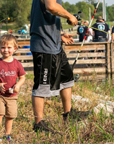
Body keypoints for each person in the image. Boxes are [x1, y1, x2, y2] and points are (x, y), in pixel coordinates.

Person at [30, 0, 78, 132]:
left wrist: (60, 34)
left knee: (66, 79)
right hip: (44, 46)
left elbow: (46, 15)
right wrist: (69, 16)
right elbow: (51, 7)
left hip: (54, 44)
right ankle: (39, 124)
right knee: (42, 85)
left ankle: (68, 114)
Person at [0, 34, 26, 142]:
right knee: (0, 111)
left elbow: (22, 77)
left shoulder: (17, 64)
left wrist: (17, 85)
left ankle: (7, 134)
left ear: (15, 48)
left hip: (11, 95)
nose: (6, 50)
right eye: (3, 47)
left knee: (11, 115)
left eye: (9, 47)